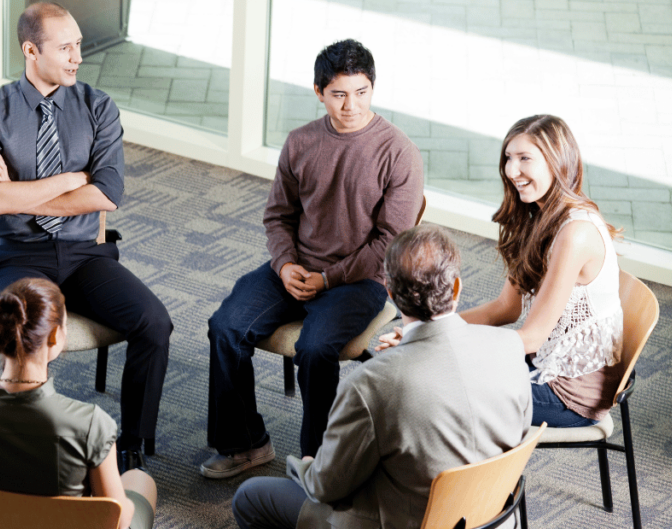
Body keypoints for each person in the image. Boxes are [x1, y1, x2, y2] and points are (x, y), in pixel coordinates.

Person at [200, 38, 424, 478]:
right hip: (295, 269)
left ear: (372, 89)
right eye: (339, 94)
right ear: (319, 92)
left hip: (361, 280)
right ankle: (246, 443)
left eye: (361, 92)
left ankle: (317, 460)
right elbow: (278, 216)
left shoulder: (399, 152)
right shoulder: (301, 142)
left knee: (316, 347)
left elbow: (391, 242)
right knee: (225, 327)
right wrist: (285, 265)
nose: (351, 105)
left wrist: (327, 279)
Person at [0, 1, 171, 469]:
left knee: (154, 323)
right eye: (65, 47)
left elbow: (109, 193)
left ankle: (133, 448)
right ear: (31, 50)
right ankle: (17, 440)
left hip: (85, 254)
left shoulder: (97, 106)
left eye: (78, 44)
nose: (78, 56)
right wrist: (71, 179)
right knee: (27, 332)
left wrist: (21, 192)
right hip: (15, 255)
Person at [231, 225, 532, 529]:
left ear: (390, 292)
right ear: (455, 288)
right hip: (494, 517)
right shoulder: (509, 348)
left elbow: (327, 487)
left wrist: (305, 466)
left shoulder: (371, 384)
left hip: (403, 521)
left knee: (251, 496)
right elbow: (518, 439)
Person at [381, 115, 624, 428]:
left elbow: (532, 338)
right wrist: (426, 330)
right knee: (433, 371)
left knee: (433, 389)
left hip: (568, 393)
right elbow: (505, 309)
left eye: (525, 159)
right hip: (539, 362)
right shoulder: (536, 216)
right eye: (509, 158)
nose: (511, 171)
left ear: (557, 161)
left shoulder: (575, 233)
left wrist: (436, 339)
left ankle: (480, 477)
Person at [0, 278, 158, 529]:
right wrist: (126, 504)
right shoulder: (90, 424)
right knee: (139, 479)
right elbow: (117, 520)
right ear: (55, 336)